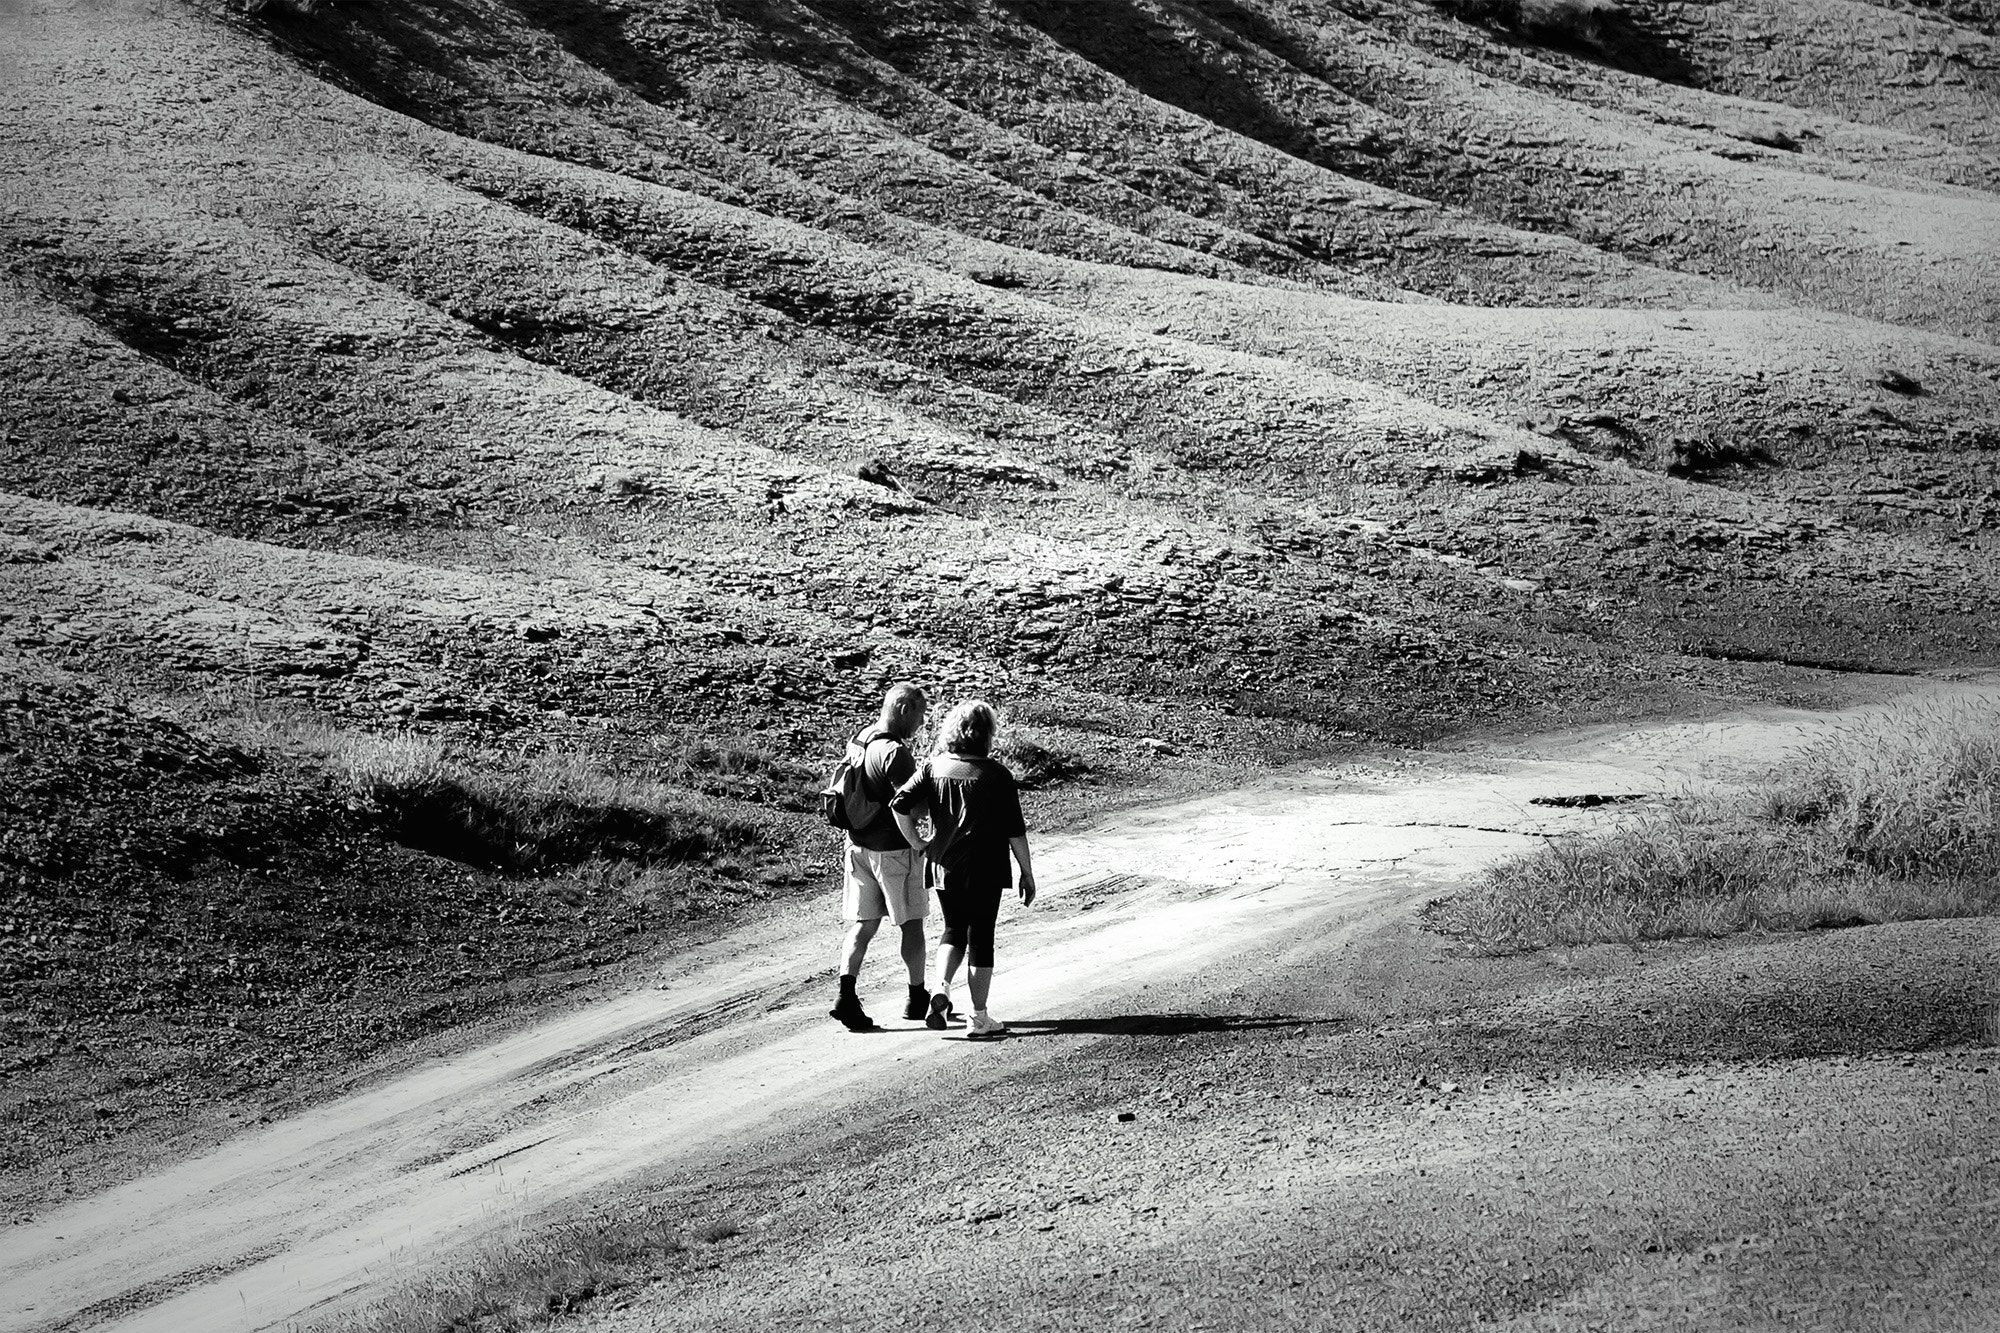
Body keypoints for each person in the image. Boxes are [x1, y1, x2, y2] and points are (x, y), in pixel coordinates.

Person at [890, 699, 1036, 1041]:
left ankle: (941, 990)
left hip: (943, 864)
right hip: (984, 866)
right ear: (986, 734)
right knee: (981, 937)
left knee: (953, 929)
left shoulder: (934, 767)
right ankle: (979, 1017)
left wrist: (917, 842)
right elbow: (1015, 830)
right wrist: (1026, 872)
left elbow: (899, 804)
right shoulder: (997, 775)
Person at [831, 683, 933, 1032]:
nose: (920, 723)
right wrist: (921, 840)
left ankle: (846, 995)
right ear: (904, 709)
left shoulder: (862, 738)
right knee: (912, 924)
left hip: (856, 846)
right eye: (920, 715)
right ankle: (916, 997)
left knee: (864, 925)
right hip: (893, 852)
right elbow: (913, 808)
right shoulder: (895, 753)